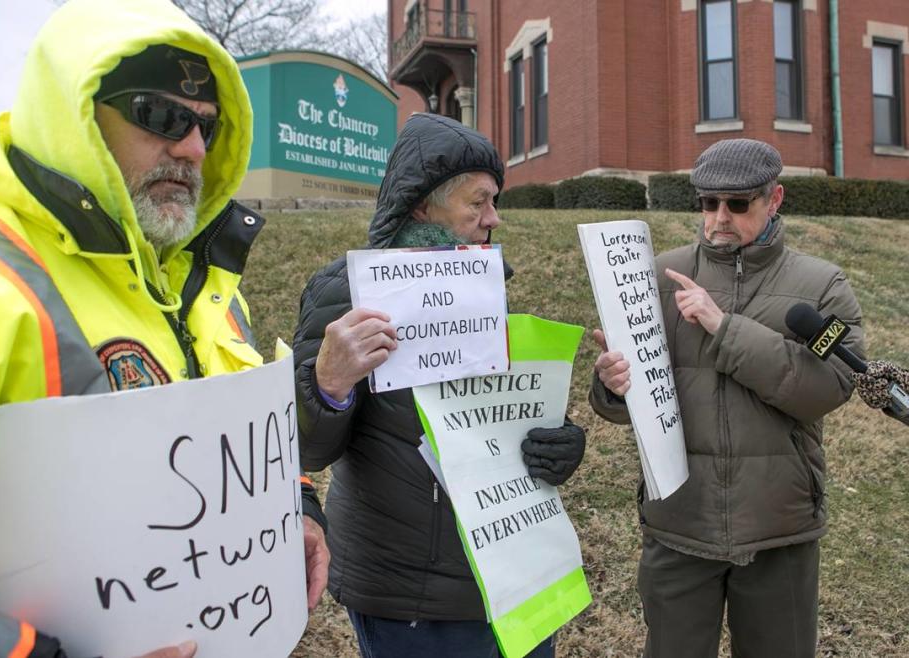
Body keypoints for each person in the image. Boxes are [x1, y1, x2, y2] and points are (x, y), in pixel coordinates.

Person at [0, 1, 328, 656]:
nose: (191, 148)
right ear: (74, 113)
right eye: (161, 117)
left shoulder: (201, 283)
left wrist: (299, 507)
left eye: (206, 128)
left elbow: (235, 452)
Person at [292, 112, 587, 658]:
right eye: (478, 202)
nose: (493, 218)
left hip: (510, 570)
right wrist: (329, 383)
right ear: (424, 203)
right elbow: (307, 448)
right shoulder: (347, 291)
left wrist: (559, 442)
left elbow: (497, 409)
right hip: (411, 595)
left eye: (494, 201)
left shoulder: (483, 285)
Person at [590, 138, 865, 658]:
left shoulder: (822, 285)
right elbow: (619, 405)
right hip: (679, 526)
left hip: (778, 531)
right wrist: (611, 384)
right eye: (707, 203)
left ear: (775, 198)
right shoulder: (656, 279)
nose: (720, 217)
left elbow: (828, 387)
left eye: (738, 204)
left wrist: (723, 327)